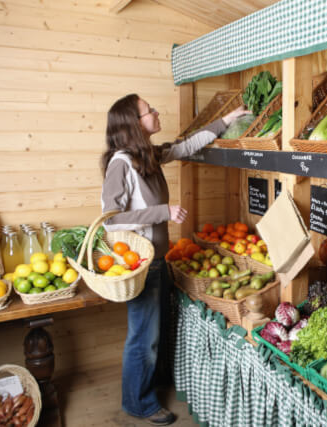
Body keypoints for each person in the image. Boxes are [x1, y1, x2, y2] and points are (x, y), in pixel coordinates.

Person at [100, 94, 249, 425]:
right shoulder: (120, 164)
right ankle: (138, 403)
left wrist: (226, 121)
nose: (155, 112)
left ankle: (149, 385)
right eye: (148, 110)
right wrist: (163, 211)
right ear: (133, 124)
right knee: (143, 337)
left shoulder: (147, 155)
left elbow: (184, 147)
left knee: (153, 331)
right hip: (140, 264)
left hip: (157, 259)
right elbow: (111, 218)